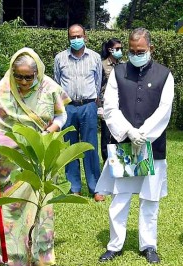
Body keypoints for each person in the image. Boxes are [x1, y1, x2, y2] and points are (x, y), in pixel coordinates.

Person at [0, 47, 71, 265]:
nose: (24, 82)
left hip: (41, 154)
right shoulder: (4, 88)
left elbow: (61, 114)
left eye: (29, 77)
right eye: (19, 76)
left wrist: (51, 130)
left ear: (37, 72)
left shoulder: (49, 87)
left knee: (42, 205)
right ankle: (11, 254)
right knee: (12, 205)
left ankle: (40, 253)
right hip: (11, 157)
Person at [95, 28, 174, 264]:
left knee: (150, 198)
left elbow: (165, 108)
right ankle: (114, 245)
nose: (136, 54)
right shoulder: (118, 73)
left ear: (151, 48)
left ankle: (148, 245)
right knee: (120, 197)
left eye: (140, 51)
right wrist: (129, 131)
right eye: (131, 51)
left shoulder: (164, 74)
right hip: (124, 143)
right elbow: (110, 107)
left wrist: (145, 133)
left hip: (152, 145)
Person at [54, 24, 104, 201]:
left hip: (88, 106)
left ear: (85, 36)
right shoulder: (60, 58)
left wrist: (93, 101)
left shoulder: (95, 58)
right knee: (70, 147)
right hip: (68, 107)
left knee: (91, 146)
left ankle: (96, 187)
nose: (76, 39)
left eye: (79, 36)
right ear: (68, 38)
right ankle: (74, 186)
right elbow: (57, 83)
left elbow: (98, 82)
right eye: (72, 37)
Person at [99, 38, 123, 162]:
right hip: (107, 106)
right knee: (106, 137)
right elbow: (99, 87)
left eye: (121, 49)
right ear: (110, 49)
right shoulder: (102, 65)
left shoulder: (123, 65)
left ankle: (120, 161)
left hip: (122, 106)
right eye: (117, 49)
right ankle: (107, 163)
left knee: (120, 135)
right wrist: (100, 106)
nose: (120, 51)